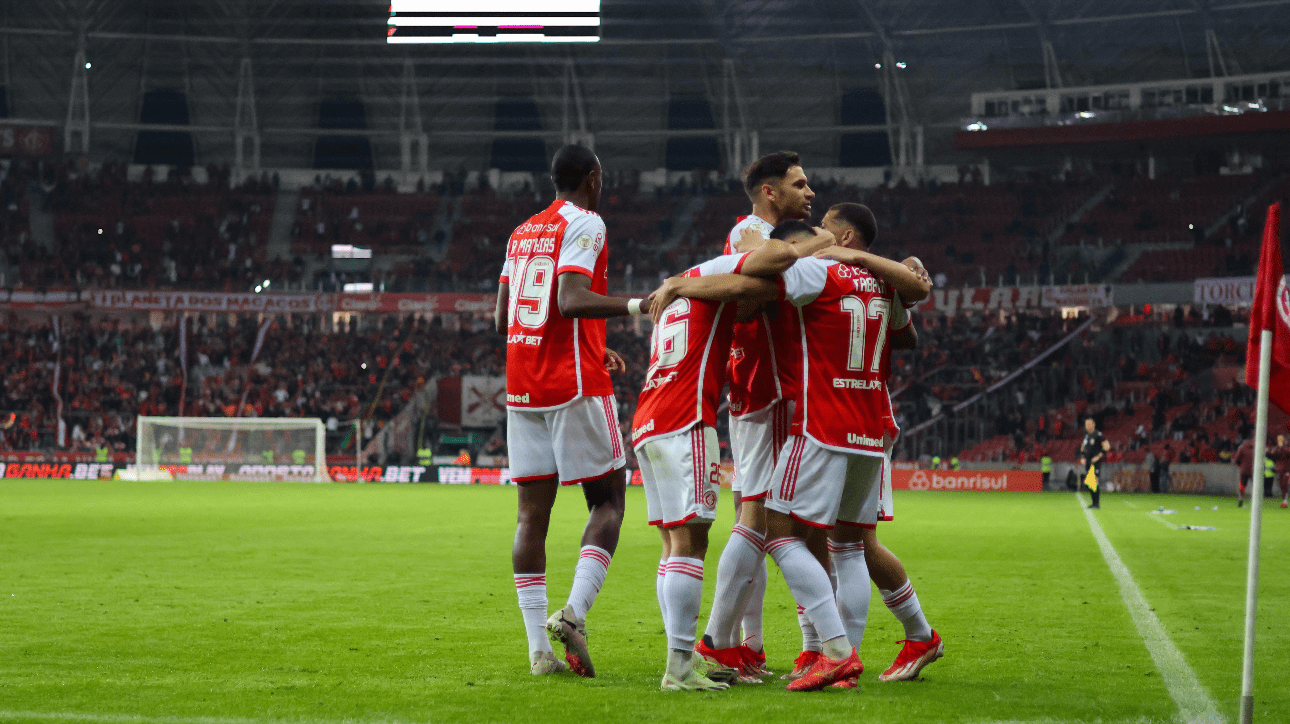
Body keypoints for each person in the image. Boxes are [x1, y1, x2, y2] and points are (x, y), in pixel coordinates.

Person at [635, 224, 833, 691]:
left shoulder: (680, 287)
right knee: (693, 543)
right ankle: (683, 663)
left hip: (648, 417)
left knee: (671, 545)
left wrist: (681, 282)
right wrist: (827, 243)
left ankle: (682, 659)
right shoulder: (720, 271)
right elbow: (761, 276)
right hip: (686, 417)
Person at [492, 143, 648, 677]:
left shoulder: (519, 232)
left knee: (531, 516)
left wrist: (589, 341)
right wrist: (636, 305)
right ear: (593, 178)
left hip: (522, 386)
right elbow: (569, 300)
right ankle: (575, 612)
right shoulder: (587, 223)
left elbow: (503, 318)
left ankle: (539, 654)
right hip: (573, 386)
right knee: (609, 500)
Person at [1080, 417, 1109, 509]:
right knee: (1090, 483)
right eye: (1086, 424)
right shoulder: (1087, 436)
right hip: (1088, 463)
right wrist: (1082, 457)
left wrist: (1098, 456)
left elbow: (1107, 446)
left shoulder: (1098, 434)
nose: (1087, 426)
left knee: (1095, 482)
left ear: (1093, 424)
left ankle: (1096, 504)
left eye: (1089, 424)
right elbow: (1083, 448)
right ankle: (1093, 503)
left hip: (1095, 463)